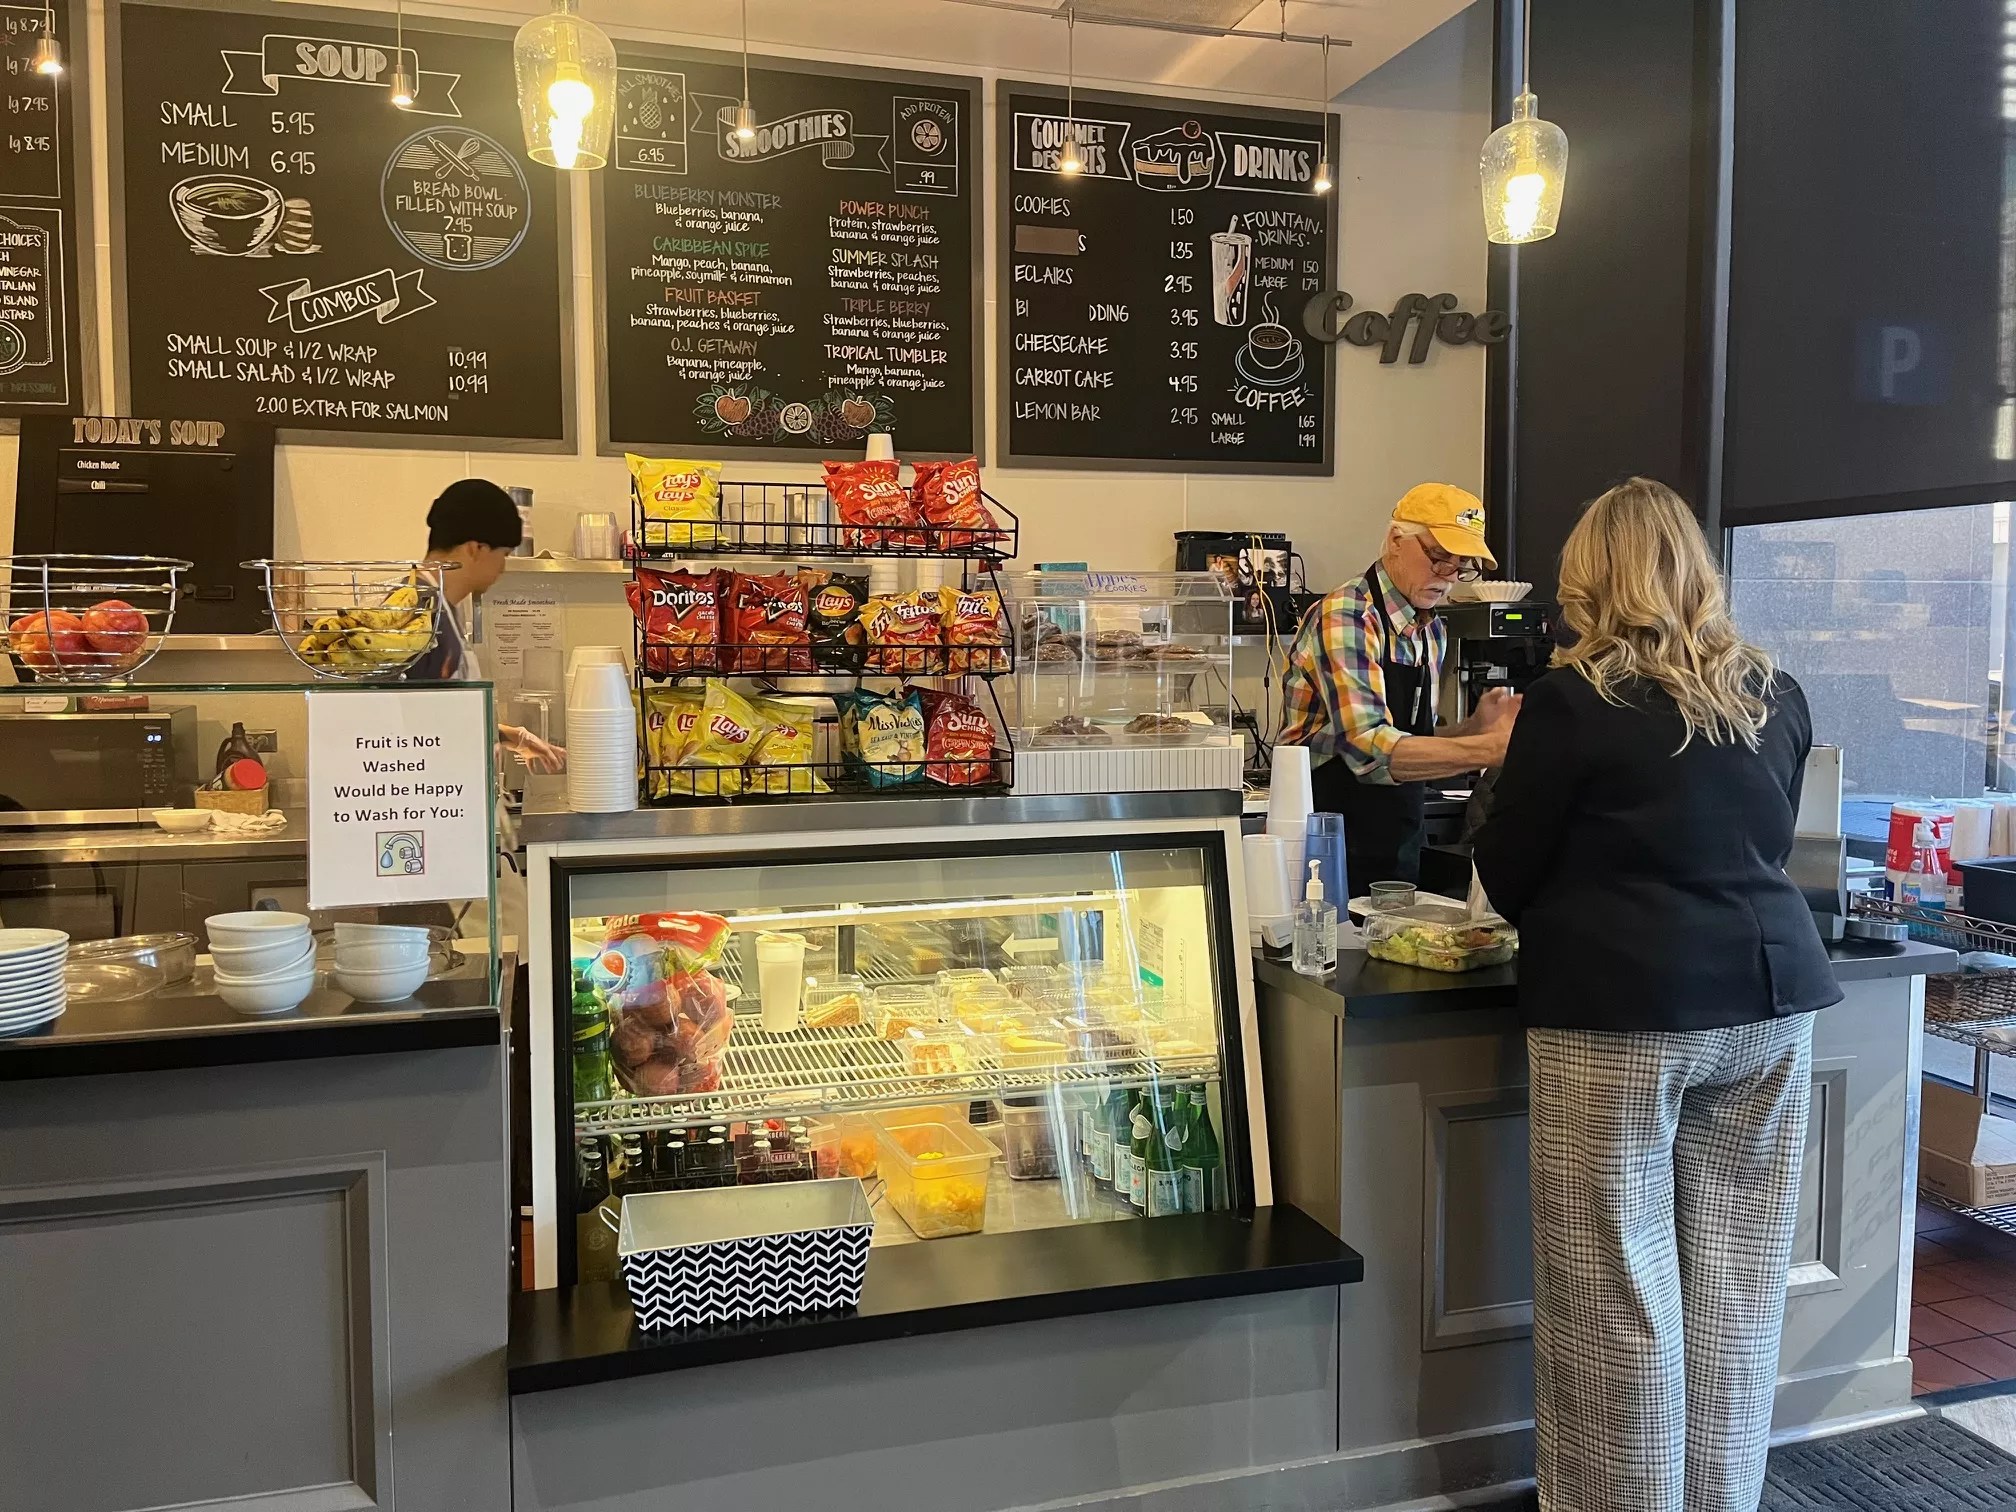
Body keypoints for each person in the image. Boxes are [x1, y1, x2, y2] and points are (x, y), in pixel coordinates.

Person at [1471, 478, 1841, 1512]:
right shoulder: (1774, 691)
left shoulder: (1571, 700)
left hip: (1621, 1012)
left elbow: (1510, 870)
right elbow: (1766, 844)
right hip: (1770, 1003)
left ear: (1593, 577)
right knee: (1736, 1282)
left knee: (1612, 1290)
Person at [1279, 482, 1521, 890]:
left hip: (1397, 847)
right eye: (1439, 558)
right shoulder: (1348, 617)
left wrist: (1471, 730)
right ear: (1396, 540)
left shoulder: (1431, 630)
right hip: (1326, 852)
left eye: (1462, 566)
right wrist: (1491, 749)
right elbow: (1370, 749)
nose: (1449, 578)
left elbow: (1409, 736)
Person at [410, 478, 565, 774]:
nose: (503, 568)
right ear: (475, 549)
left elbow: (448, 713)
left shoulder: (444, 608)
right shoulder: (420, 615)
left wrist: (513, 737)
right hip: (437, 789)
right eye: (503, 554)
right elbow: (418, 732)